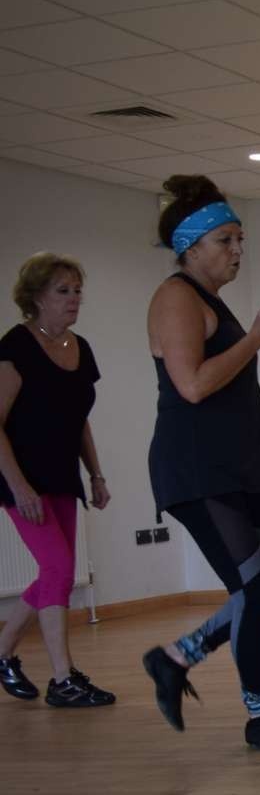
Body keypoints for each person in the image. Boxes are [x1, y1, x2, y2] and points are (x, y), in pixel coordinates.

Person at [139, 175, 260, 751]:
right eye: (226, 240)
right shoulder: (175, 298)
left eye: (240, 239)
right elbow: (192, 386)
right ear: (191, 247)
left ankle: (176, 657)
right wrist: (256, 339)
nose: (238, 250)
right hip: (198, 470)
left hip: (236, 469)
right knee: (258, 589)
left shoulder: (209, 301)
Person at [0, 252, 113, 708]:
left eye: (77, 290)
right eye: (62, 291)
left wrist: (96, 473)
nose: (73, 299)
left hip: (62, 475)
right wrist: (20, 487)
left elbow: (78, 419)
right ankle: (63, 679)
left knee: (56, 573)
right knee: (58, 569)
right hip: (20, 478)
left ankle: (3, 651)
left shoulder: (79, 348)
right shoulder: (15, 347)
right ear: (36, 297)